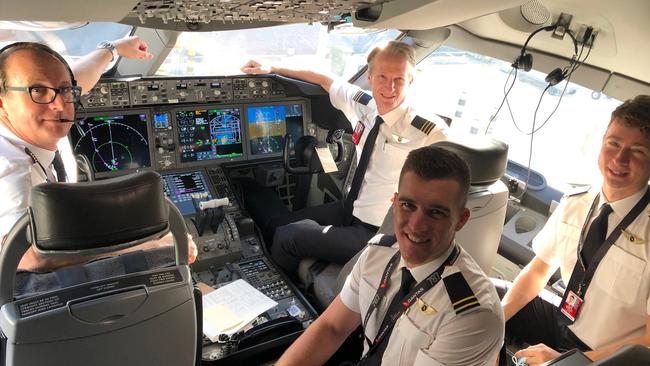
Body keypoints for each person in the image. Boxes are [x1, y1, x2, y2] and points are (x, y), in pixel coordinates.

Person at [274, 146, 504, 366]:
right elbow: (332, 328)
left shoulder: (471, 316)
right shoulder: (378, 253)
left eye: (435, 213)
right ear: (394, 204)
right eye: (408, 205)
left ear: (461, 220)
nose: (416, 225)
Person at [241, 41, 449, 274]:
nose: (390, 87)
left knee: (287, 237)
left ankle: (286, 294)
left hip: (378, 232)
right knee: (275, 225)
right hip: (349, 209)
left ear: (410, 80)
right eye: (382, 76)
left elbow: (453, 184)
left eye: (399, 79)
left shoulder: (428, 131)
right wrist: (272, 67)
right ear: (369, 77)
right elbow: (326, 79)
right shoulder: (364, 106)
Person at [0, 38, 197, 271]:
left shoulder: (38, 119)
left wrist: (113, 50)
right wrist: (154, 245)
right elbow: (27, 259)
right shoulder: (10, 168)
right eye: (39, 90)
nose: (60, 105)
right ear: (2, 103)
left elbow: (78, 76)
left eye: (65, 90)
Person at [499, 95, 650, 365]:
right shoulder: (576, 203)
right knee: (485, 300)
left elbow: (648, 342)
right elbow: (539, 270)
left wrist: (566, 361)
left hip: (611, 355)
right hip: (563, 321)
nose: (620, 158)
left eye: (637, 151)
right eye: (613, 144)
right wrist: (494, 321)